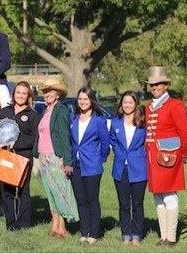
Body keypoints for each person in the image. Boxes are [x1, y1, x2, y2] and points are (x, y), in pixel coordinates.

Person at [145, 66, 187, 247]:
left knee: (169, 196)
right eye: (152, 85)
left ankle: (171, 238)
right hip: (152, 157)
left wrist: (184, 154)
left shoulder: (175, 105)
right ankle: (163, 236)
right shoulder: (149, 106)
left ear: (166, 85)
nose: (154, 87)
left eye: (158, 84)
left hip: (169, 157)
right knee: (158, 196)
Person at [33, 78, 79, 239]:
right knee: (51, 193)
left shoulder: (61, 110)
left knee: (60, 191)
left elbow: (64, 136)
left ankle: (62, 227)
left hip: (55, 156)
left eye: (50, 91)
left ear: (57, 94)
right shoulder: (45, 111)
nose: (47, 94)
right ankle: (55, 224)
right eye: (45, 91)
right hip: (42, 156)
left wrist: (66, 160)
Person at [0, 81, 39, 231]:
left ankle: (23, 223)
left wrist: (15, 144)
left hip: (24, 157)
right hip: (5, 156)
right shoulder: (5, 111)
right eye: (18, 92)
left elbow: (34, 138)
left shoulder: (32, 115)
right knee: (7, 191)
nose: (21, 96)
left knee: (23, 190)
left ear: (28, 96)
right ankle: (10, 223)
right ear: (14, 94)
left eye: (24, 93)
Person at [70, 87, 110, 244]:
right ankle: (84, 231)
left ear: (91, 100)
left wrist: (100, 159)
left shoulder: (99, 120)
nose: (82, 102)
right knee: (81, 199)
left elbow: (105, 144)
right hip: (76, 165)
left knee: (92, 199)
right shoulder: (73, 118)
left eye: (86, 99)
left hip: (92, 165)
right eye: (80, 99)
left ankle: (94, 233)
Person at [109, 90, 147, 246]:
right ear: (121, 104)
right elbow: (113, 140)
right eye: (124, 102)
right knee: (124, 204)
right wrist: (119, 153)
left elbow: (147, 142)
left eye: (130, 102)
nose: (127, 105)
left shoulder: (143, 123)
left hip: (139, 168)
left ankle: (137, 234)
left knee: (137, 204)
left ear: (136, 104)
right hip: (120, 168)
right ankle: (126, 234)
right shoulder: (116, 122)